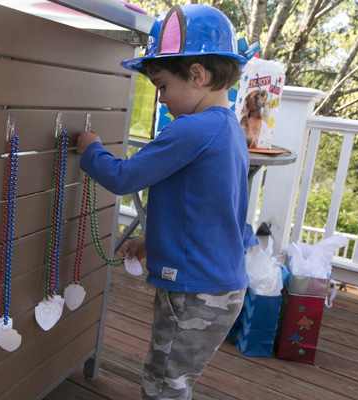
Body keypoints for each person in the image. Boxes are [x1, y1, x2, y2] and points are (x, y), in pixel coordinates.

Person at [76, 4, 249, 400]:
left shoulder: (191, 129)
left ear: (197, 75)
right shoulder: (228, 129)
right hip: (219, 286)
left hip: (194, 294)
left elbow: (124, 178)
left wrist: (92, 150)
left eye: (162, 86)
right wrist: (156, 243)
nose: (160, 98)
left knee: (163, 384)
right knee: (175, 379)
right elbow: (205, 210)